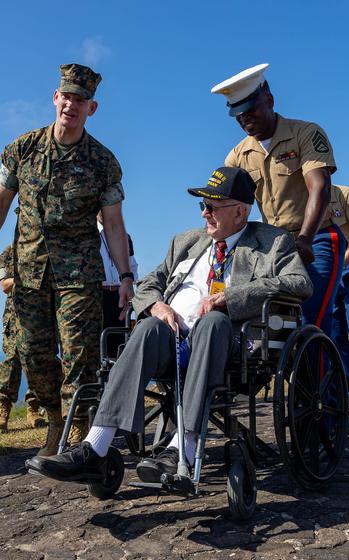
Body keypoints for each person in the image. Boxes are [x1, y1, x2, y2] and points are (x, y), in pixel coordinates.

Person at [26, 166, 313, 484]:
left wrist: (233, 297)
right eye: (202, 205)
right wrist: (157, 305)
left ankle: (183, 448)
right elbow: (149, 283)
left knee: (213, 322)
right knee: (148, 327)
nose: (204, 213)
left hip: (229, 342)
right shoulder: (186, 242)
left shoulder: (272, 242)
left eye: (212, 206)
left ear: (240, 212)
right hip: (173, 339)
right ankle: (96, 448)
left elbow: (299, 282)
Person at [0, 63, 134, 455]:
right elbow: (3, 204)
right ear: (55, 98)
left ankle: (78, 428)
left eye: (81, 99)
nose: (71, 105)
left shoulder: (103, 162)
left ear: (92, 108)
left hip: (79, 274)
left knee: (79, 353)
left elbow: (112, 224)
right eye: (66, 97)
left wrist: (125, 276)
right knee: (32, 350)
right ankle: (54, 422)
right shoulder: (22, 149)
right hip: (29, 272)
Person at [211, 64, 346, 338]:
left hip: (317, 238)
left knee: (312, 321)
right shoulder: (236, 157)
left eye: (250, 110)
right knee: (274, 322)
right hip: (276, 246)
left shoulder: (305, 133)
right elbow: (229, 210)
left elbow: (319, 187)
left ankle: (318, 381)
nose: (244, 120)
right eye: (238, 115)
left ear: (269, 100)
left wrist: (306, 238)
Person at [0, 244, 45, 432]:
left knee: (36, 361)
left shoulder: (44, 247)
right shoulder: (9, 252)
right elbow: (5, 286)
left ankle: (33, 409)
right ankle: (2, 410)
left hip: (42, 315)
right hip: (15, 316)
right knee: (11, 362)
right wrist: (28, 279)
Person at [97, 212, 138, 357]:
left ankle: (116, 379)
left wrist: (131, 298)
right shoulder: (88, 236)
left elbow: (132, 267)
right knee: (97, 349)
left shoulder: (125, 237)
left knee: (119, 349)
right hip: (97, 297)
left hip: (119, 298)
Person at [329, 185, 349, 382]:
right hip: (331, 272)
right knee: (334, 331)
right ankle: (346, 382)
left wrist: (338, 264)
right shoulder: (299, 202)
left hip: (344, 267)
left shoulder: (344, 194)